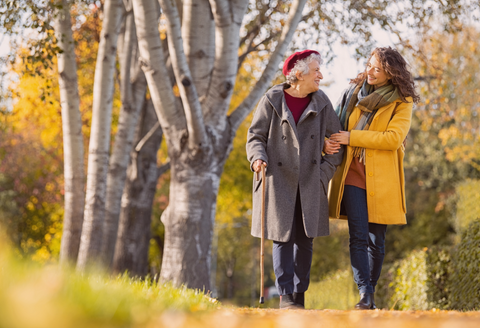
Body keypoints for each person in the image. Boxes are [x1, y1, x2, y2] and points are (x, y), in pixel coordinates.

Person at [246, 50, 344, 309]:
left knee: (305, 239)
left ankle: (299, 296)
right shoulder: (272, 100)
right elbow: (256, 136)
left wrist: (323, 175)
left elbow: (337, 143)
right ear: (298, 75)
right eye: (316, 71)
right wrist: (257, 157)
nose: (321, 75)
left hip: (310, 181)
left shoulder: (322, 101)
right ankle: (286, 296)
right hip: (278, 180)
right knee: (283, 237)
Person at [326, 46, 420, 309]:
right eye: (369, 65)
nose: (370, 71)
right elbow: (335, 123)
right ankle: (365, 294)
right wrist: (329, 141)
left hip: (383, 178)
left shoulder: (402, 102)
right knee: (358, 235)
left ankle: (370, 291)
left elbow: (392, 139)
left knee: (377, 241)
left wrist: (352, 138)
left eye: (377, 69)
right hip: (353, 173)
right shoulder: (353, 93)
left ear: (391, 74)